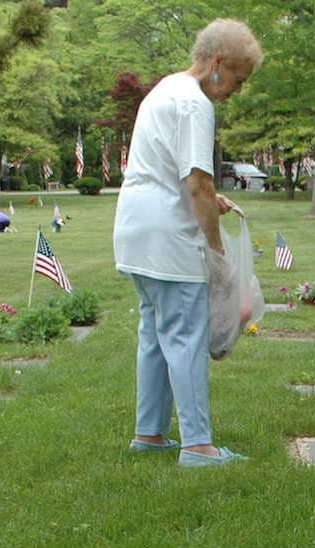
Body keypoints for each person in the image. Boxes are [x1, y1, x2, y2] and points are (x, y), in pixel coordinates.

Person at [113, 18, 263, 467]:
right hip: (168, 239)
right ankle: (199, 446)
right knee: (186, 336)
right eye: (238, 79)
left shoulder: (163, 90)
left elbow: (169, 170)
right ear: (218, 64)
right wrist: (216, 250)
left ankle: (150, 433)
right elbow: (196, 182)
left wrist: (206, 198)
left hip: (134, 231)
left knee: (155, 336)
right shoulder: (196, 104)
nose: (237, 90)